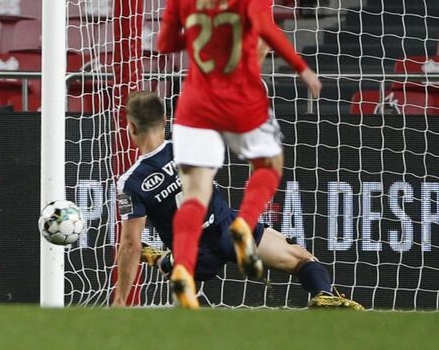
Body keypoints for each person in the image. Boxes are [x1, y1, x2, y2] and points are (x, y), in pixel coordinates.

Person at [155, 0, 323, 309]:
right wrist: (302, 68)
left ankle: (182, 267)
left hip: (195, 103)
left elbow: (163, 46)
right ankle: (244, 224)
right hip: (241, 99)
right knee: (267, 165)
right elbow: (267, 31)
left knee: (195, 192)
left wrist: (194, 39)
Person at [111, 92, 362, 310]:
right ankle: (323, 295)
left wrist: (120, 299)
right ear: (166, 120)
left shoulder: (129, 183)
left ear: (131, 127)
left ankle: (162, 259)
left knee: (180, 263)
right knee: (302, 259)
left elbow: (131, 244)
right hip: (229, 231)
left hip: (195, 257)